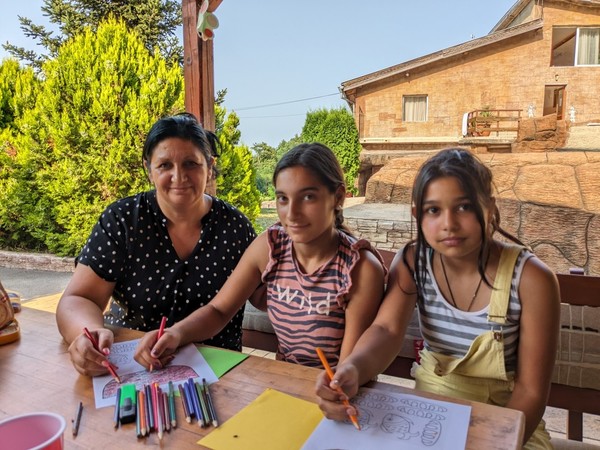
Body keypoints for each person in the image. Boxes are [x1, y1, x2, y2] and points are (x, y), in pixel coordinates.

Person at [315, 148, 560, 449]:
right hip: (430, 416)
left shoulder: (532, 279)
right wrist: (351, 369)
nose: (449, 224)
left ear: (490, 208)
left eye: (464, 207)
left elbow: (531, 393)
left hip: (507, 424)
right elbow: (386, 330)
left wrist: (493, 442)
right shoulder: (413, 262)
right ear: (418, 215)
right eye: (434, 210)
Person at [134, 142, 386, 369]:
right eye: (283, 199)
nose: (292, 213)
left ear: (338, 197)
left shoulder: (359, 269)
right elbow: (219, 310)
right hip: (286, 382)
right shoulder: (270, 247)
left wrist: (337, 388)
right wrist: (175, 333)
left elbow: (351, 364)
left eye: (308, 197)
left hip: (343, 391)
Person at [56, 113, 256, 377]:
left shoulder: (235, 227)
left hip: (217, 370)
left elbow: (266, 294)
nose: (178, 176)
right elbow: (79, 298)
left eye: (191, 164)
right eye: (164, 165)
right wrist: (87, 333)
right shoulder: (123, 220)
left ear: (209, 167)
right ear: (149, 169)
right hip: (130, 368)